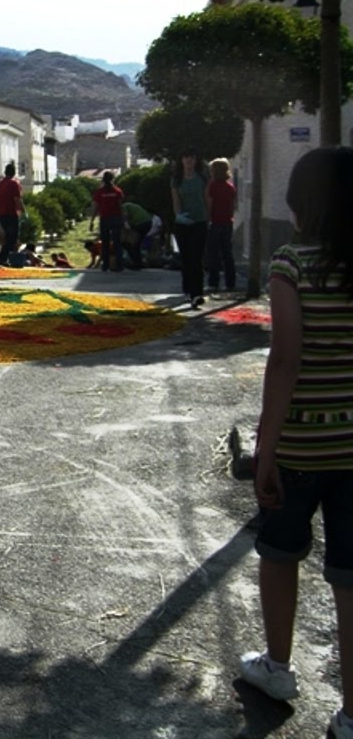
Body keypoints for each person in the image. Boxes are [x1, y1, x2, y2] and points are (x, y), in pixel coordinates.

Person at [240, 146, 353, 739]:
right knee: (350, 574)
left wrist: (266, 448)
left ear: (301, 204)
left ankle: (278, 668)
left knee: (281, 555)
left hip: (303, 446)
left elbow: (284, 361)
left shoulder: (291, 264)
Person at [171, 148, 210, 308]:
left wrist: (209, 218)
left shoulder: (202, 178)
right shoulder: (177, 180)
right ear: (181, 161)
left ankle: (197, 293)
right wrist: (178, 215)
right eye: (186, 158)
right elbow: (176, 201)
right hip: (183, 224)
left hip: (200, 222)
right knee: (186, 259)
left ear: (196, 161)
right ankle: (187, 289)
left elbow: (207, 199)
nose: (189, 161)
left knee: (197, 258)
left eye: (192, 158)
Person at [206, 157, 238, 293]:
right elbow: (233, 206)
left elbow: (209, 205)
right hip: (227, 222)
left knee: (214, 254)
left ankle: (214, 282)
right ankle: (230, 282)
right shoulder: (230, 187)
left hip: (215, 222)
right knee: (227, 254)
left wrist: (208, 220)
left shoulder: (212, 186)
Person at [90, 170, 125, 273]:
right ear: (112, 179)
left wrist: (92, 221)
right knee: (117, 243)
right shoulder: (117, 191)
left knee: (105, 244)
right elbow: (120, 206)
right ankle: (119, 266)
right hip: (116, 219)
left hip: (105, 220)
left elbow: (96, 208)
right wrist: (124, 219)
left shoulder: (100, 192)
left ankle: (105, 266)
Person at [0, 163, 24, 266]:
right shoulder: (14, 184)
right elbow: (17, 199)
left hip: (1, 215)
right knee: (12, 238)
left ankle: (3, 258)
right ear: (13, 173)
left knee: (6, 238)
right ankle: (2, 258)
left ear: (5, 172)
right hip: (11, 214)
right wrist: (23, 211)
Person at [121, 201, 155, 270]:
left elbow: (125, 217)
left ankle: (136, 263)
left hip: (141, 224)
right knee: (137, 244)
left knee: (128, 244)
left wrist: (126, 226)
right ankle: (139, 263)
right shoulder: (131, 205)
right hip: (148, 223)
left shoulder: (124, 206)